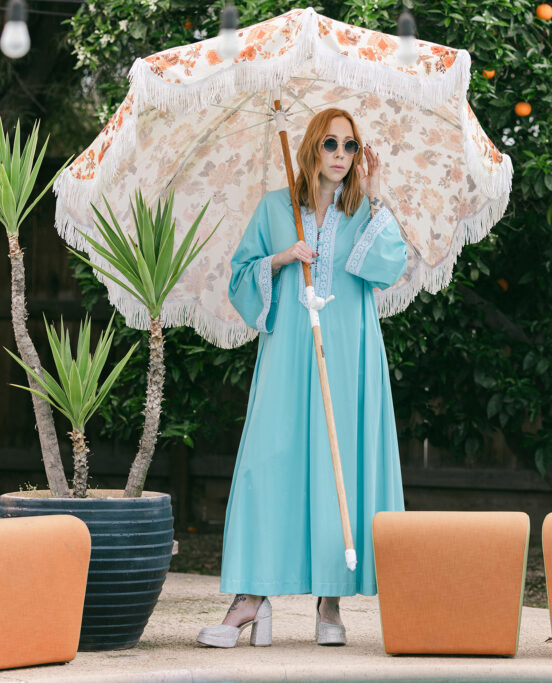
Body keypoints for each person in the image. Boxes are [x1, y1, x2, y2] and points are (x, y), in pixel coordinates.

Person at [196, 108, 407, 648]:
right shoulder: (275, 208)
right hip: (290, 346)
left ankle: (330, 599)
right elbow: (240, 278)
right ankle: (250, 598)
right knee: (267, 462)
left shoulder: (363, 210)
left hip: (349, 349)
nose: (342, 154)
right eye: (332, 143)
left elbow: (389, 266)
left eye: (351, 146)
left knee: (341, 467)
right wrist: (282, 257)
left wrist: (376, 195)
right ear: (313, 146)